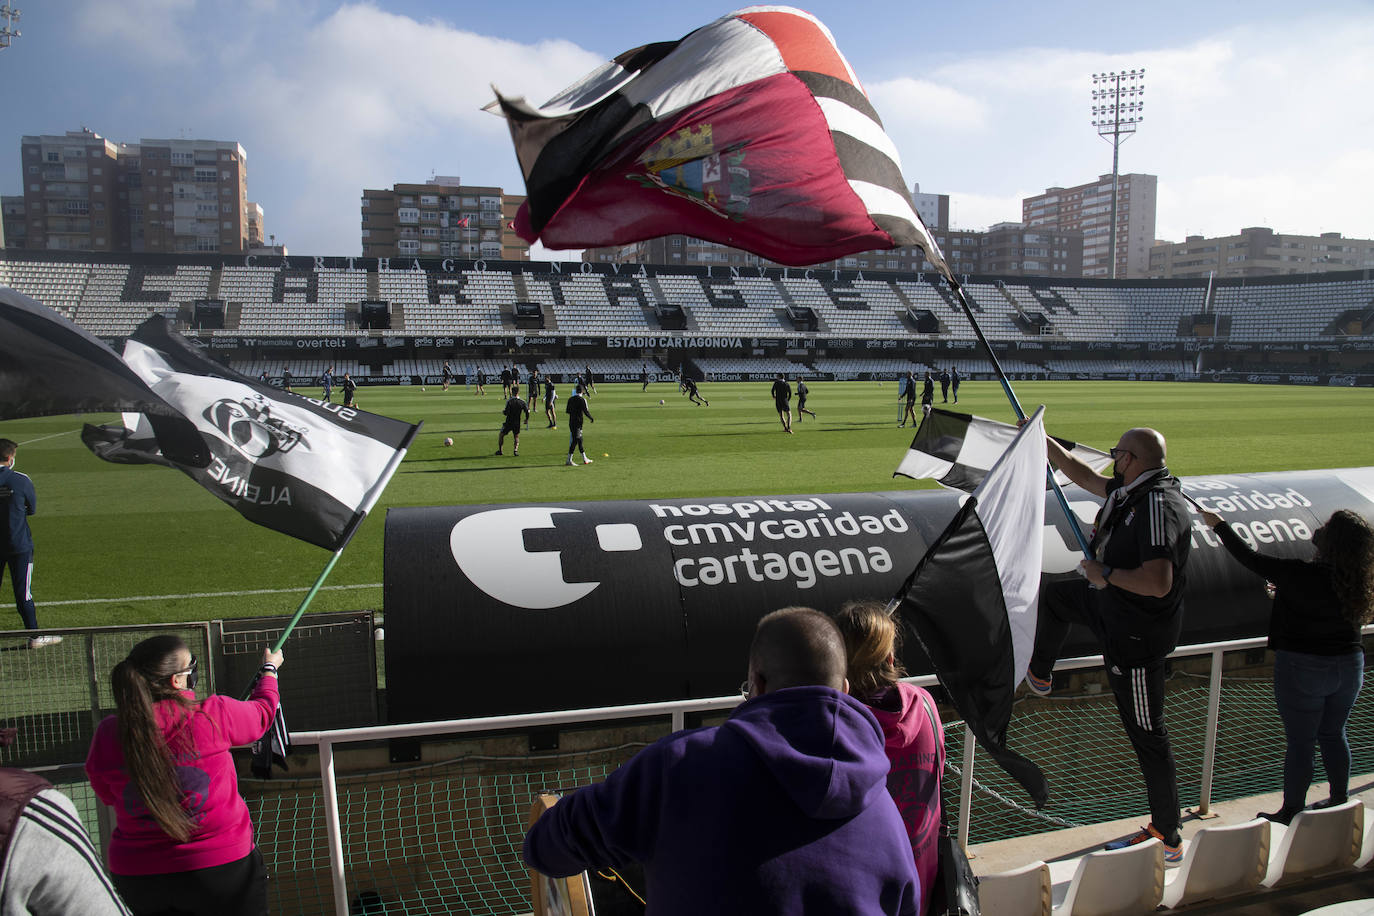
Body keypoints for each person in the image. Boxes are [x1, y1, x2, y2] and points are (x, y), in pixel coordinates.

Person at [523, 607, 920, 915]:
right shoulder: (886, 815)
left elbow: (546, 846)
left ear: (758, 683)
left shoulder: (679, 766)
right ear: (845, 689)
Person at [1025, 426, 1192, 862]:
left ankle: (1168, 834)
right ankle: (1040, 674)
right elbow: (1081, 476)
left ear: (1133, 460)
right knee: (1055, 599)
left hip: (1135, 635)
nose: (1113, 458)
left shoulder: (1158, 505)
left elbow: (1159, 583)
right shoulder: (1134, 489)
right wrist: (1043, 441)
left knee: (1147, 733)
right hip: (1110, 606)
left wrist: (1107, 575)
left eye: (1118, 453)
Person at [85, 635, 283, 916]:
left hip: (139, 877)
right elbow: (263, 713)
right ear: (177, 681)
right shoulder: (213, 714)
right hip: (221, 869)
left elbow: (106, 793)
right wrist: (269, 671)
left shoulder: (108, 733)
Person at [1199, 507, 1374, 823]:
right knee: (1334, 734)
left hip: (1303, 668)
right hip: (1349, 668)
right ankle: (1340, 800)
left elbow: (1250, 558)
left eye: (1329, 524)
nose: (1322, 525)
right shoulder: (1356, 579)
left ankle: (1292, 809)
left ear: (1331, 540)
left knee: (1301, 742)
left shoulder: (1299, 573)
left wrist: (1220, 525)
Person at [834, 600, 943, 916]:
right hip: (922, 883)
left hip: (864, 894)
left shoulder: (839, 726)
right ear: (891, 658)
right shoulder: (924, 704)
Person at [0, 738, 132, 915]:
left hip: (128, 861)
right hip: (174, 863)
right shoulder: (28, 809)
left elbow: (103, 792)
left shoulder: (108, 729)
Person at [0, 439, 58, 648]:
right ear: (10, 457)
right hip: (19, 544)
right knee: (23, 592)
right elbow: (31, 508)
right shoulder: (21, 479)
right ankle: (34, 637)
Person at [564, 384, 595, 467]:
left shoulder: (570, 399)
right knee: (575, 441)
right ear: (582, 391)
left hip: (571, 422)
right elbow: (585, 411)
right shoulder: (582, 400)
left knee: (579, 440)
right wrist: (591, 418)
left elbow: (568, 411)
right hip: (578, 423)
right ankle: (569, 460)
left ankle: (585, 459)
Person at [496, 389, 529, 456]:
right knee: (516, 436)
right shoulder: (522, 402)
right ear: (518, 392)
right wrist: (526, 419)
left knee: (501, 435)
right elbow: (527, 411)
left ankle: (500, 451)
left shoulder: (509, 401)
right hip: (517, 422)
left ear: (512, 392)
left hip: (509, 422)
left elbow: (506, 412)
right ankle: (515, 450)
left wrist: (503, 412)